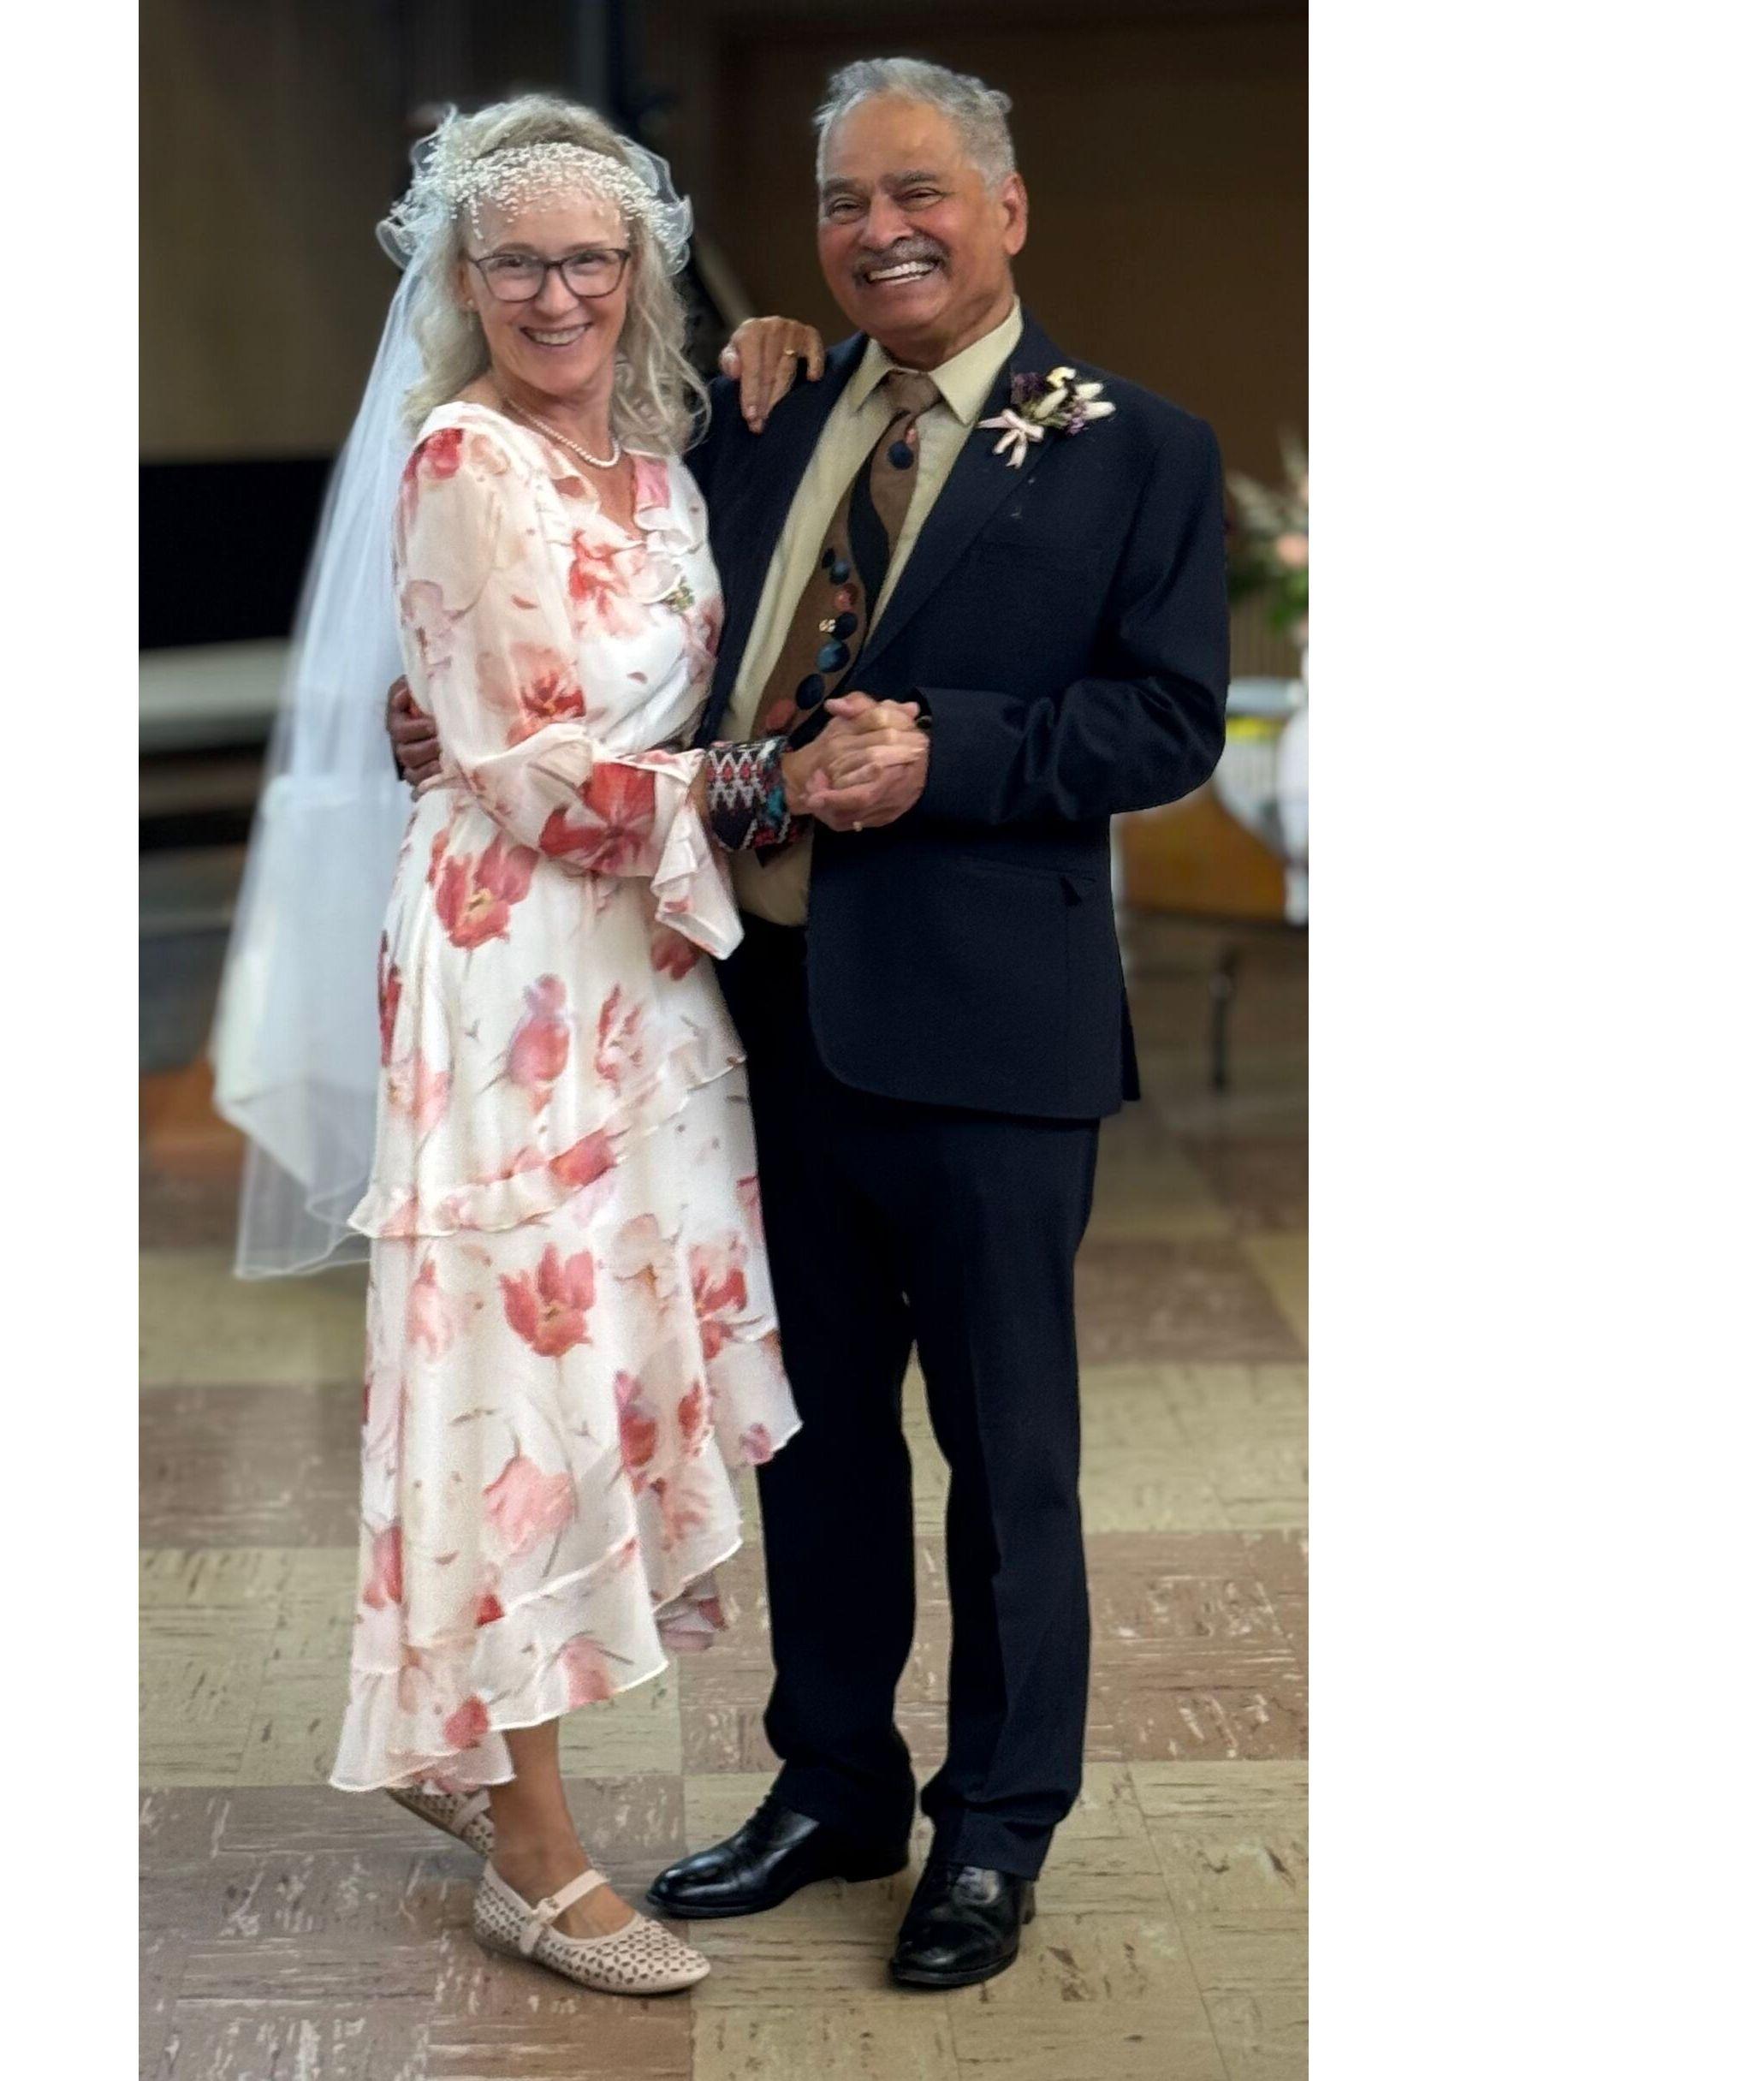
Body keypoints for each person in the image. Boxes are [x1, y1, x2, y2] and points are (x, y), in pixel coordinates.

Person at [391, 57, 1229, 1990]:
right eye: (845, 201)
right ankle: (829, 1780)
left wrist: (955, 750)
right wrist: (444, 724)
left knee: (1008, 1457)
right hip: (752, 1017)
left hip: (992, 1033)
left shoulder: (1137, 450)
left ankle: (994, 1830)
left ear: (1008, 207)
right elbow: (608, 654)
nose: (881, 231)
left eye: (920, 193)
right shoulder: (753, 417)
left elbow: (1165, 722)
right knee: (812, 1440)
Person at [216, 95, 900, 1998]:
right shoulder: (464, 459)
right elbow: (518, 763)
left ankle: (469, 1737)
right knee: (508, 1385)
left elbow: (691, 672)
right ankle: (527, 1837)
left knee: (605, 1374)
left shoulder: (667, 476)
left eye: (587, 256)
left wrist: (734, 766)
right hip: (512, 967)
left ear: (638, 273)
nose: (553, 291)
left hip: (643, 976)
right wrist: (763, 784)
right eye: (512, 259)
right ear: (460, 279)